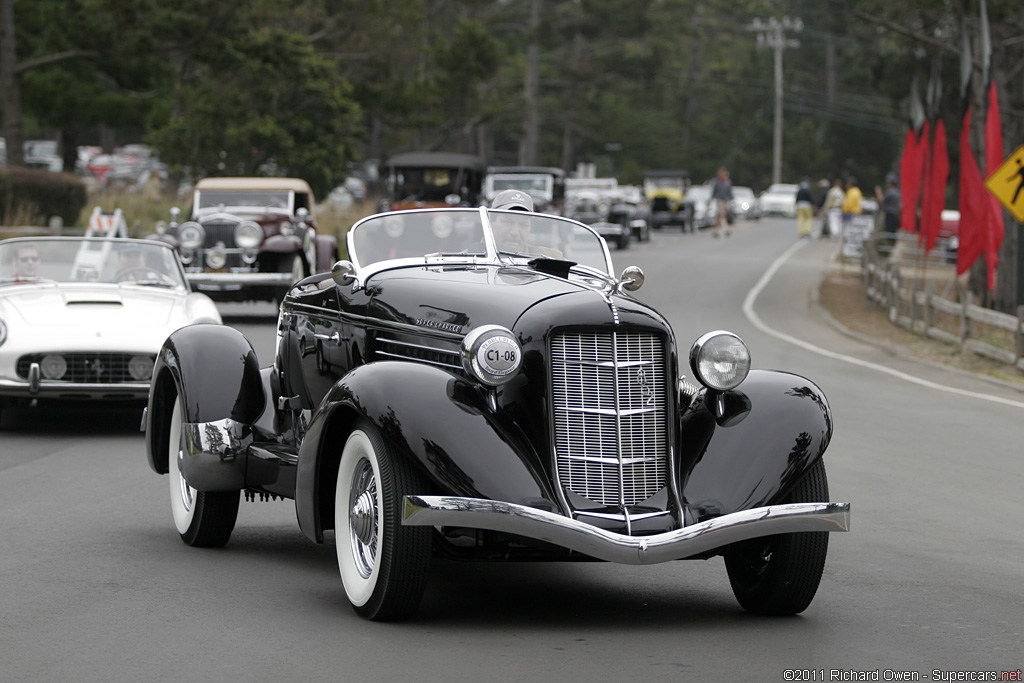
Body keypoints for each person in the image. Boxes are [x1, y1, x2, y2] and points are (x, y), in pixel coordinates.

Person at [489, 189, 562, 258]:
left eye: (523, 225)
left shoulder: (548, 257)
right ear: (491, 222)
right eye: (507, 222)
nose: (515, 232)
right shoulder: (477, 255)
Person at [874, 172, 901, 258]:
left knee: (887, 234)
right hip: (896, 215)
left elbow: (881, 200)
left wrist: (878, 192)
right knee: (893, 234)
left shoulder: (890, 192)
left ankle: (885, 251)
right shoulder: (898, 192)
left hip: (889, 215)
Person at [710, 167, 733, 237]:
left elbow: (729, 192)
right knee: (722, 215)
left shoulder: (727, 182)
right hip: (719, 200)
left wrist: (731, 199)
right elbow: (714, 192)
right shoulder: (717, 182)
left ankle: (715, 230)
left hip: (726, 200)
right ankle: (726, 229)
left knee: (719, 216)